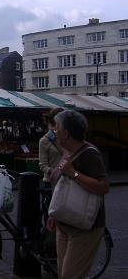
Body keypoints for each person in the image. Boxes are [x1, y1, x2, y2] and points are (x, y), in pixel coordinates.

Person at [47, 110, 109, 279]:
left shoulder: (90, 153)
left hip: (84, 228)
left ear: (66, 133)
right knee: (63, 275)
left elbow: (103, 187)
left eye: (57, 127)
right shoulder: (68, 152)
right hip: (65, 223)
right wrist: (55, 214)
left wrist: (73, 173)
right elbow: (61, 186)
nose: (54, 131)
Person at [39, 107, 64, 188]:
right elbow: (43, 165)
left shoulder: (67, 139)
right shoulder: (44, 140)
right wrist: (55, 172)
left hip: (66, 181)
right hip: (51, 182)